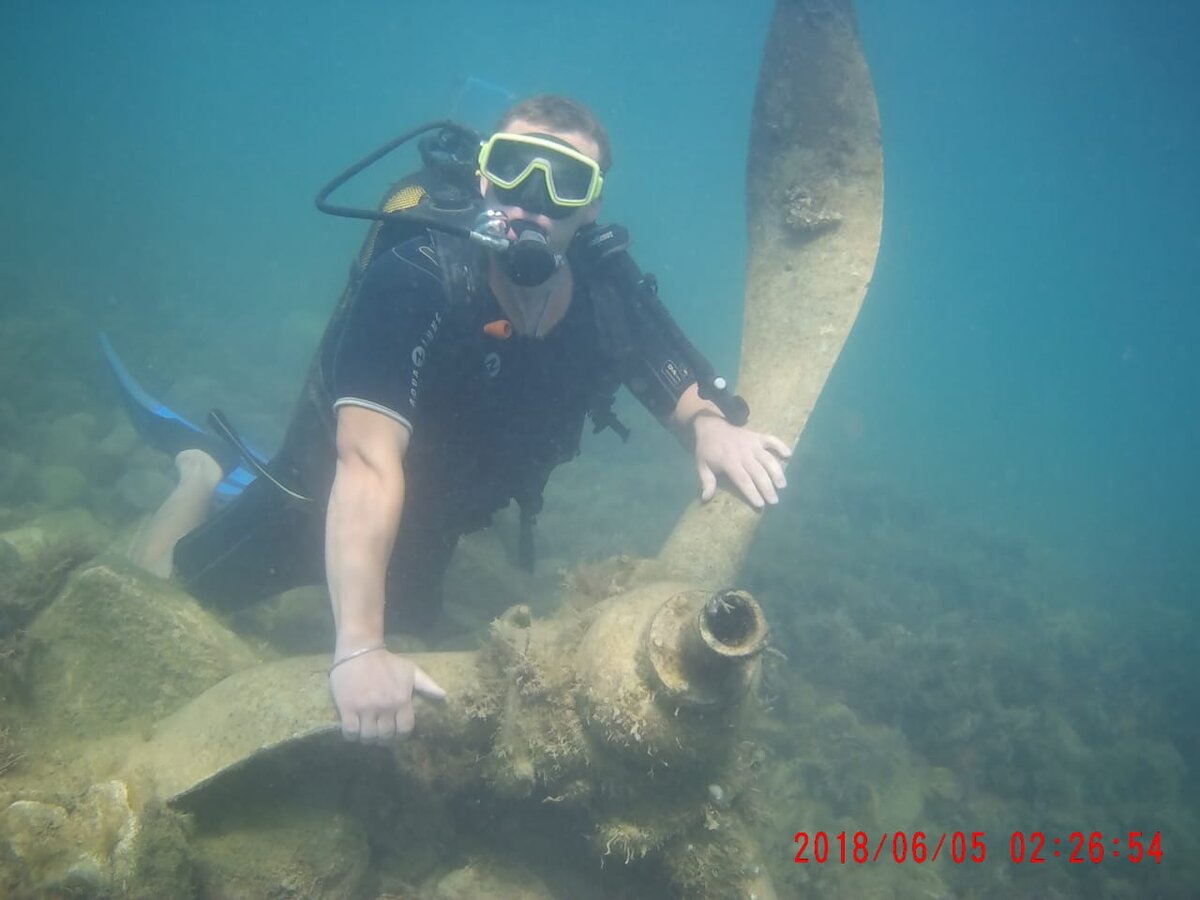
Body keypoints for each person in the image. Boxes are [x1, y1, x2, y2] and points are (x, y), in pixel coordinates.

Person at [121, 95, 791, 745]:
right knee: (160, 596)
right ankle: (199, 472)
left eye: (564, 181)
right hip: (321, 493)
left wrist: (709, 426)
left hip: (435, 520)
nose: (531, 196)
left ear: (590, 207)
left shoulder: (604, 292)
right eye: (514, 167)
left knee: (414, 661)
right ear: (482, 175)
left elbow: (662, 370)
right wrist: (357, 649)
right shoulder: (417, 275)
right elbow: (367, 462)